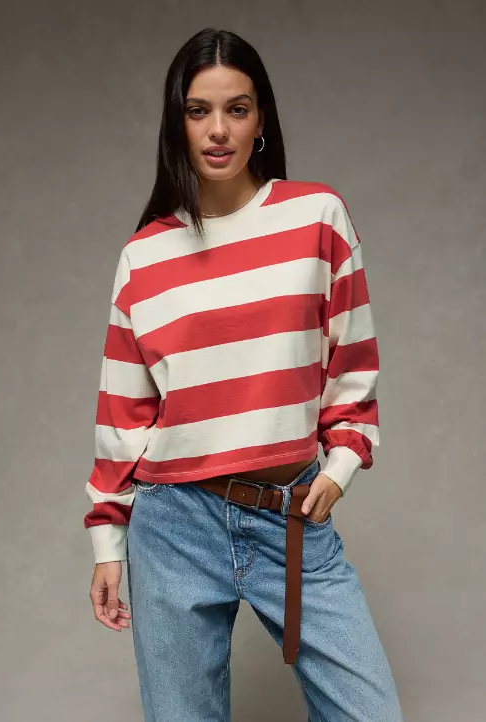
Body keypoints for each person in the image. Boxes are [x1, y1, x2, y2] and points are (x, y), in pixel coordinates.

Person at [84, 27, 403, 722]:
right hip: (173, 525)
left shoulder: (316, 218)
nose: (218, 130)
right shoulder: (144, 256)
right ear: (177, 123)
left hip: (290, 514)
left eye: (237, 108)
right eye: (198, 110)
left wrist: (339, 469)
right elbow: (123, 414)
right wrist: (108, 540)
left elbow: (351, 368)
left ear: (261, 121)